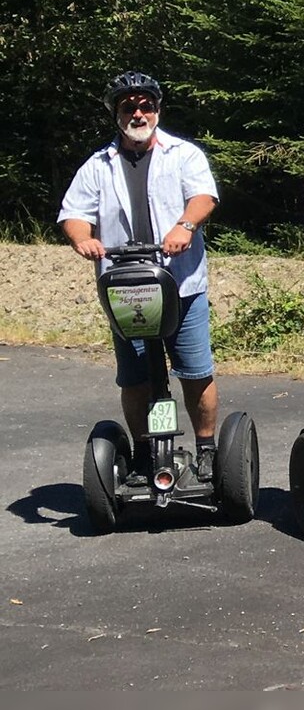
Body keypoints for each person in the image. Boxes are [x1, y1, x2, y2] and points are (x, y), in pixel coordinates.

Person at [58, 72, 223, 481]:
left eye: (145, 105)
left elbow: (203, 197)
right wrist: (84, 240)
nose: (138, 113)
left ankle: (206, 450)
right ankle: (146, 453)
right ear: (116, 114)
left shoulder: (184, 154)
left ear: (157, 110)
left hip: (180, 284)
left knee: (195, 372)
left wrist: (184, 226)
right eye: (128, 106)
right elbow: (74, 214)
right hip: (127, 289)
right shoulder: (98, 165)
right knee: (134, 380)